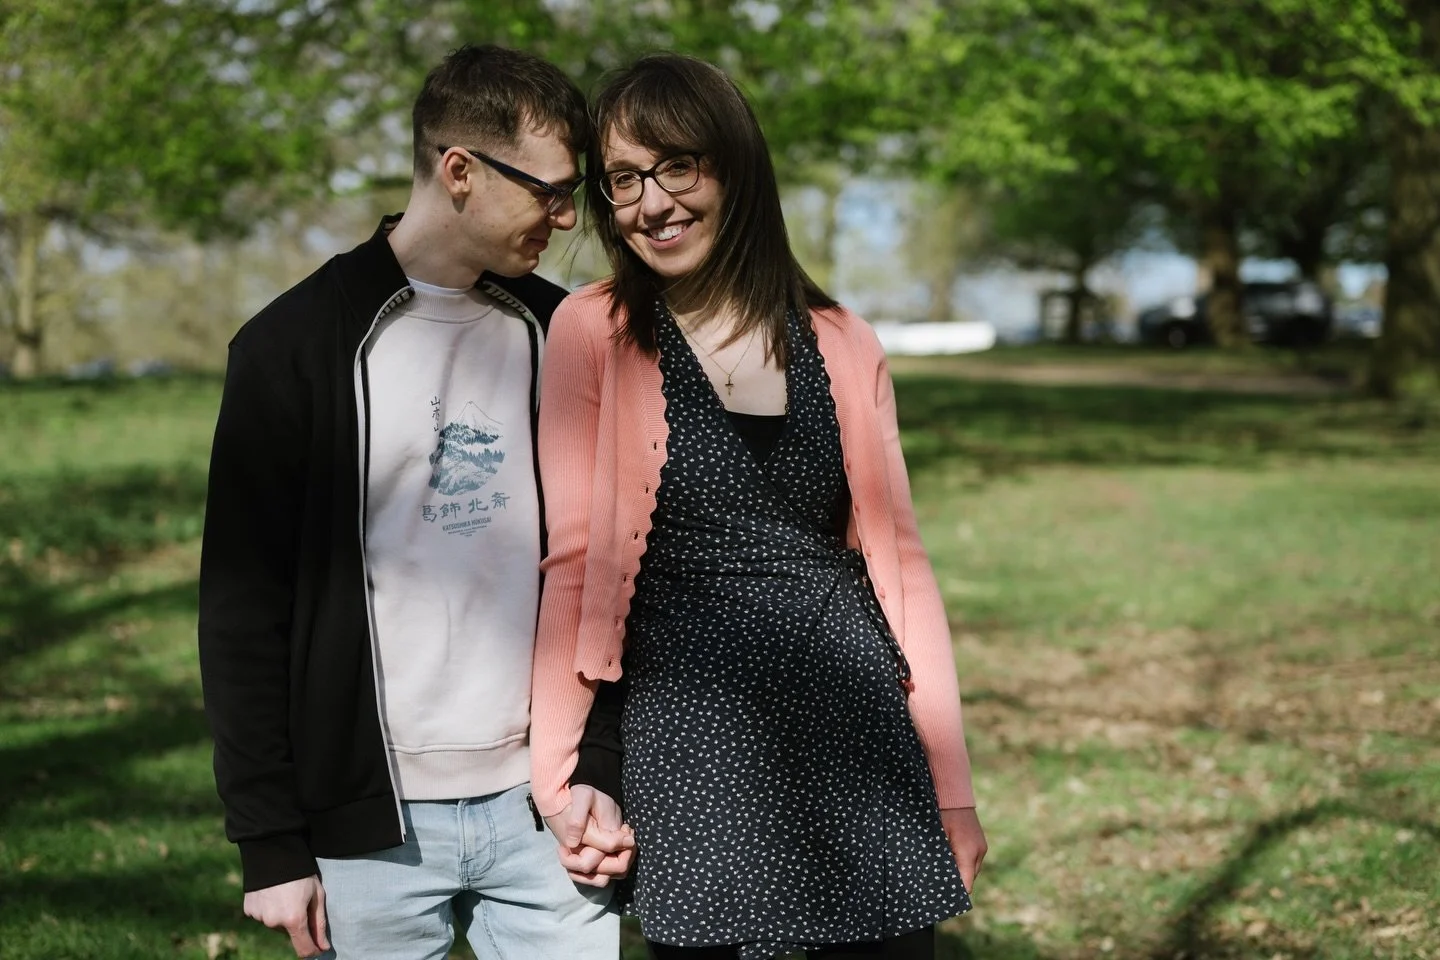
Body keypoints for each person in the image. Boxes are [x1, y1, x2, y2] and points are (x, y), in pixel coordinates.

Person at [529, 53, 988, 960]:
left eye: (677, 166)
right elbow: (575, 559)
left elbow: (901, 569)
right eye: (623, 180)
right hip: (694, 749)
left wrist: (952, 787)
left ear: (734, 166)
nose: (652, 203)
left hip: (858, 739)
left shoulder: (844, 340)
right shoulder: (596, 330)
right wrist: (560, 777)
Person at [198, 43, 628, 960]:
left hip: (549, 807)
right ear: (460, 170)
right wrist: (270, 845)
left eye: (572, 193)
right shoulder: (292, 347)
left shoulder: (570, 333)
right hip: (368, 823)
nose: (565, 217)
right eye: (549, 191)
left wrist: (597, 766)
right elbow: (242, 609)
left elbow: (621, 571)